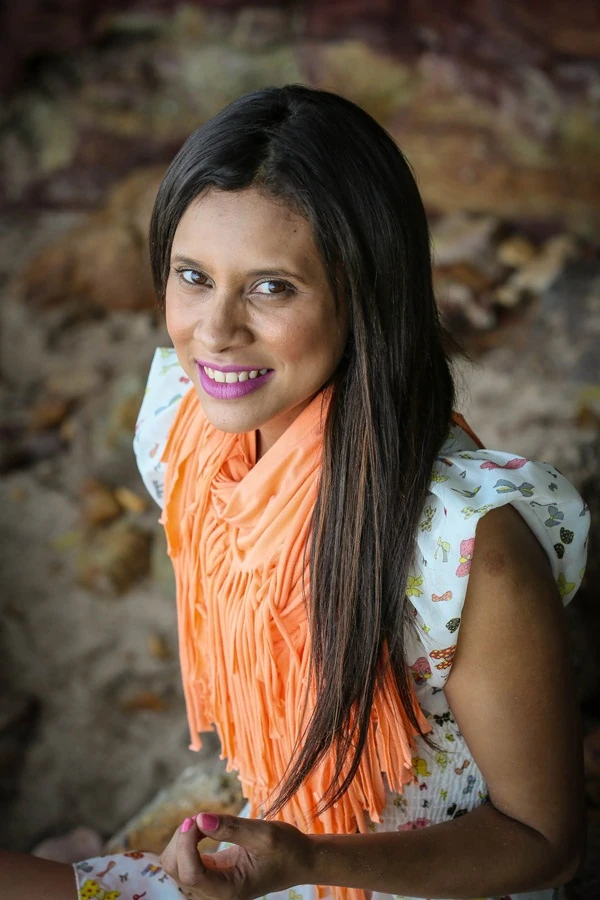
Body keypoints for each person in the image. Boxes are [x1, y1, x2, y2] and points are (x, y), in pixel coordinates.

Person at [0, 84, 590, 900]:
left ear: (365, 295)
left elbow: (545, 842)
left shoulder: (464, 549)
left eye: (272, 287)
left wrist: (310, 861)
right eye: (193, 276)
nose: (215, 331)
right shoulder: (182, 429)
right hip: (278, 839)